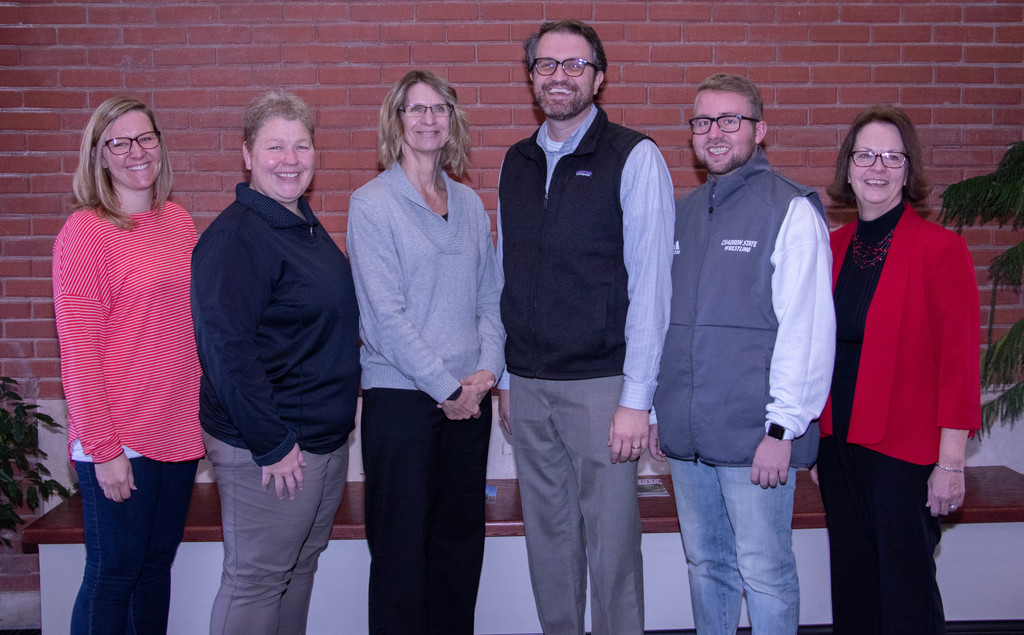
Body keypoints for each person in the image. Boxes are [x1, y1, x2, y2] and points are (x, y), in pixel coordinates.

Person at [497, 19, 675, 634]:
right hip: (529, 384)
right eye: (546, 65)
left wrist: (637, 399)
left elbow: (652, 288)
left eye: (574, 65)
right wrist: (504, 379)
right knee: (548, 545)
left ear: (598, 77)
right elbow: (507, 276)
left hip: (604, 387)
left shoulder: (634, 156)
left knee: (613, 551)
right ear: (532, 77)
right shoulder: (515, 164)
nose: (559, 77)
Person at [651, 73, 835, 634]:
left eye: (730, 120)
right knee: (707, 566)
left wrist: (783, 429)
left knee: (765, 572)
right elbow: (662, 321)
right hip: (688, 439)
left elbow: (807, 330)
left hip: (756, 440)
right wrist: (660, 412)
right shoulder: (681, 213)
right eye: (703, 122)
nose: (715, 133)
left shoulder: (790, 209)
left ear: (760, 130)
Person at [190, 91, 361, 635]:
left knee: (297, 569)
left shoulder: (301, 224)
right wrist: (273, 443)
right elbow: (226, 351)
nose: (290, 160)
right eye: (275, 147)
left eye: (301, 145)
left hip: (320, 439)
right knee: (257, 580)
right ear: (247, 154)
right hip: (270, 445)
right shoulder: (237, 237)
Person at [346, 70, 504, 634]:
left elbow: (490, 295)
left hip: (470, 400)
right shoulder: (371, 205)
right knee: (401, 554)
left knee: (460, 548)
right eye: (416, 109)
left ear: (452, 120)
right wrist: (447, 389)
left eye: (440, 109)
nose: (429, 119)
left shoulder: (467, 202)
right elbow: (384, 318)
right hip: (404, 402)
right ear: (397, 120)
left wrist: (487, 372)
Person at [814, 105, 981, 634]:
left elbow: (958, 364)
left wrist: (950, 463)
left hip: (905, 453)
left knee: (905, 592)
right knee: (854, 583)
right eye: (865, 154)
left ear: (909, 169)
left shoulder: (941, 250)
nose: (877, 167)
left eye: (891, 155)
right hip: (839, 446)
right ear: (848, 166)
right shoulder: (831, 246)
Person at [52, 96, 205, 634]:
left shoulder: (179, 223)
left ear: (160, 146)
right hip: (120, 435)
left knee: (154, 569)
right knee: (113, 574)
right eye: (119, 141)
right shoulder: (84, 233)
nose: (136, 152)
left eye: (145, 138)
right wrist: (105, 449)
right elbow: (78, 352)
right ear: (99, 155)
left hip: (177, 428)